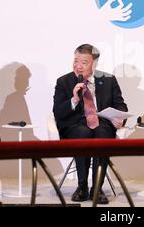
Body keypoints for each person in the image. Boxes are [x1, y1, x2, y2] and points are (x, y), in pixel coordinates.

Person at [53, 44, 128, 204]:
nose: (78, 66)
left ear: (94, 64)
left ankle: (97, 188)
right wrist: (74, 99)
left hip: (101, 125)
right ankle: (82, 186)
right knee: (83, 132)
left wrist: (120, 119)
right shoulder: (64, 82)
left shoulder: (108, 80)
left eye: (84, 62)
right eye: (75, 61)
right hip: (74, 127)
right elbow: (58, 113)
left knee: (102, 132)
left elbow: (121, 106)